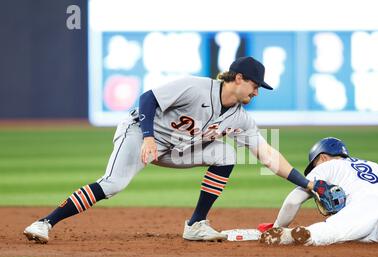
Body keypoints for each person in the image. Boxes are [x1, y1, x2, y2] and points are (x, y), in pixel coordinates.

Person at [23, 56, 333, 244]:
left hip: (176, 149)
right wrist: (147, 137)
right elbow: (148, 99)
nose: (256, 91)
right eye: (255, 85)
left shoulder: (240, 117)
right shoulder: (196, 87)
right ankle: (45, 222)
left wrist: (307, 184)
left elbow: (268, 155)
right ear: (238, 78)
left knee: (225, 154)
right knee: (114, 184)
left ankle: (195, 225)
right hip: (140, 133)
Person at [260, 137, 378, 248]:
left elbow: (293, 200)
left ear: (322, 158)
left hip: (361, 208)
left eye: (314, 165)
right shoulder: (372, 165)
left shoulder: (326, 166)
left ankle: (295, 235)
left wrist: (277, 227)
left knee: (334, 230)